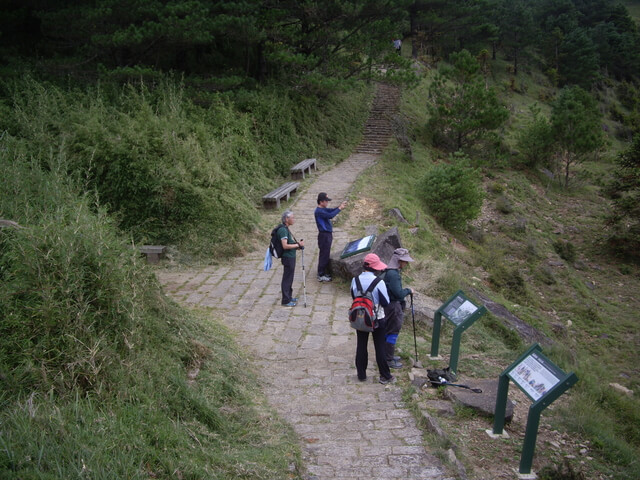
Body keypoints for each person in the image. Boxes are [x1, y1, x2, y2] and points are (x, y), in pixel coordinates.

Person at [351, 253, 395, 384]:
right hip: (377, 317)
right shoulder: (379, 282)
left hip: (360, 316)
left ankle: (361, 374)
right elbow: (386, 302)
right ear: (375, 268)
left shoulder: (355, 280)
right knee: (380, 346)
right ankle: (385, 375)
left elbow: (354, 296)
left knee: (361, 345)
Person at [382, 248, 414, 368]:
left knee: (388, 330)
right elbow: (398, 293)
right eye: (404, 261)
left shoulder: (388, 271)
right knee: (393, 331)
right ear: (398, 261)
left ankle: (386, 355)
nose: (406, 264)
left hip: (387, 305)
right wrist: (408, 290)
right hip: (393, 306)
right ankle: (388, 359)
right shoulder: (394, 274)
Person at [314, 192, 347, 282]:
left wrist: (339, 207)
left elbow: (331, 210)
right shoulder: (319, 211)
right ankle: (320, 274)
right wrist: (339, 208)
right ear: (321, 202)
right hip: (324, 235)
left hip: (327, 235)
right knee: (324, 255)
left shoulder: (323, 209)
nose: (327, 203)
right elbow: (330, 215)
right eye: (326, 201)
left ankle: (324, 271)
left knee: (326, 253)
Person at [278, 210, 304, 307]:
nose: (294, 219)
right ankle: (285, 300)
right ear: (286, 219)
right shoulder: (283, 230)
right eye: (292, 218)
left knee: (290, 278)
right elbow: (285, 246)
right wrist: (297, 245)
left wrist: (297, 246)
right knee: (287, 278)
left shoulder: (286, 228)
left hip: (291, 257)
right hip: (287, 258)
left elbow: (290, 243)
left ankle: (289, 297)